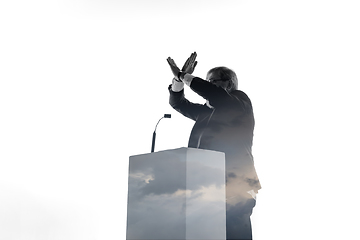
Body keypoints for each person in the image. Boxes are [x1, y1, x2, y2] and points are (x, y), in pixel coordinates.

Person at [167, 52, 261, 240]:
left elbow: (216, 95)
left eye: (213, 81)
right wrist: (178, 79)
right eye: (207, 81)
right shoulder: (206, 112)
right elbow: (178, 103)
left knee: (235, 232)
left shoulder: (239, 102)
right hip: (208, 181)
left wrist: (185, 76)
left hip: (236, 182)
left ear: (228, 84)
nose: (208, 85)